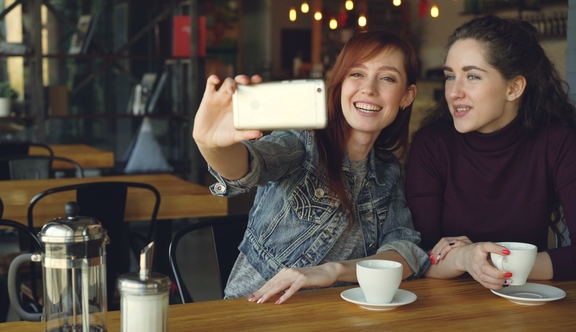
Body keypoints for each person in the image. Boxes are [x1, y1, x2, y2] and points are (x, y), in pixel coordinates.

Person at [193, 30, 430, 304]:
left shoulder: (388, 172)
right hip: (256, 313)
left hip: (334, 318)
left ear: (406, 96)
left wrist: (331, 271)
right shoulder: (303, 141)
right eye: (357, 74)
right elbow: (250, 166)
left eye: (387, 78)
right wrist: (212, 146)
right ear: (339, 83)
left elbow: (405, 252)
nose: (369, 88)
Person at [405, 15, 576, 289]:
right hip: (443, 306)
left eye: (472, 76)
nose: (453, 92)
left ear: (514, 88)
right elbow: (417, 257)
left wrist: (482, 261)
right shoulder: (432, 144)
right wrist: (464, 259)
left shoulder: (557, 143)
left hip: (527, 302)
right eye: (450, 76)